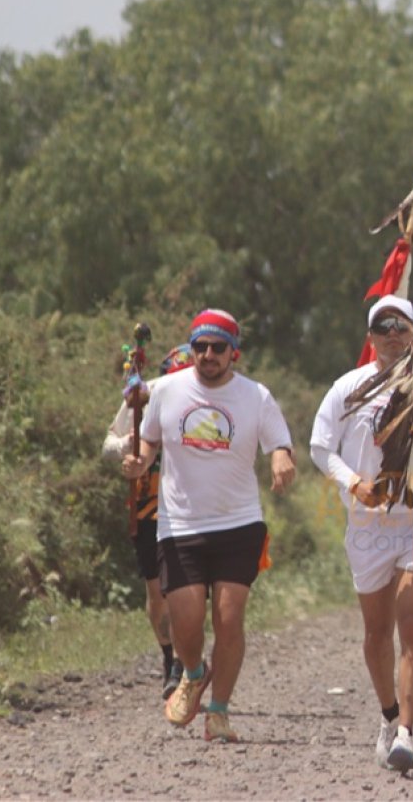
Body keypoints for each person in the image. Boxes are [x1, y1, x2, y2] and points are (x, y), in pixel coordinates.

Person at [309, 295, 413, 773]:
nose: (393, 333)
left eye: (402, 325)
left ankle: (405, 731)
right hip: (366, 523)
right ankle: (386, 715)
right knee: (376, 631)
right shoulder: (349, 387)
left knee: (412, 624)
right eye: (384, 326)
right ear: (371, 335)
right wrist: (353, 483)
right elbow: (321, 447)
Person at [122, 310, 296, 743]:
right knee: (185, 620)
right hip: (181, 524)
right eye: (200, 346)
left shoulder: (256, 396)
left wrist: (281, 460)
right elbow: (149, 439)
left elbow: (279, 441)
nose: (208, 355)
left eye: (218, 347)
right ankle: (194, 674)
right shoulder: (166, 390)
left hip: (239, 523)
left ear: (233, 352)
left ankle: (218, 711)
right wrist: (140, 460)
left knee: (229, 619)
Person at [102, 343, 195, 699]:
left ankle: (185, 666)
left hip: (192, 508)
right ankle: (169, 656)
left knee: (189, 590)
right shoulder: (144, 396)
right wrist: (129, 444)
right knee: (157, 592)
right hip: (149, 508)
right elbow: (108, 444)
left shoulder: (208, 399)